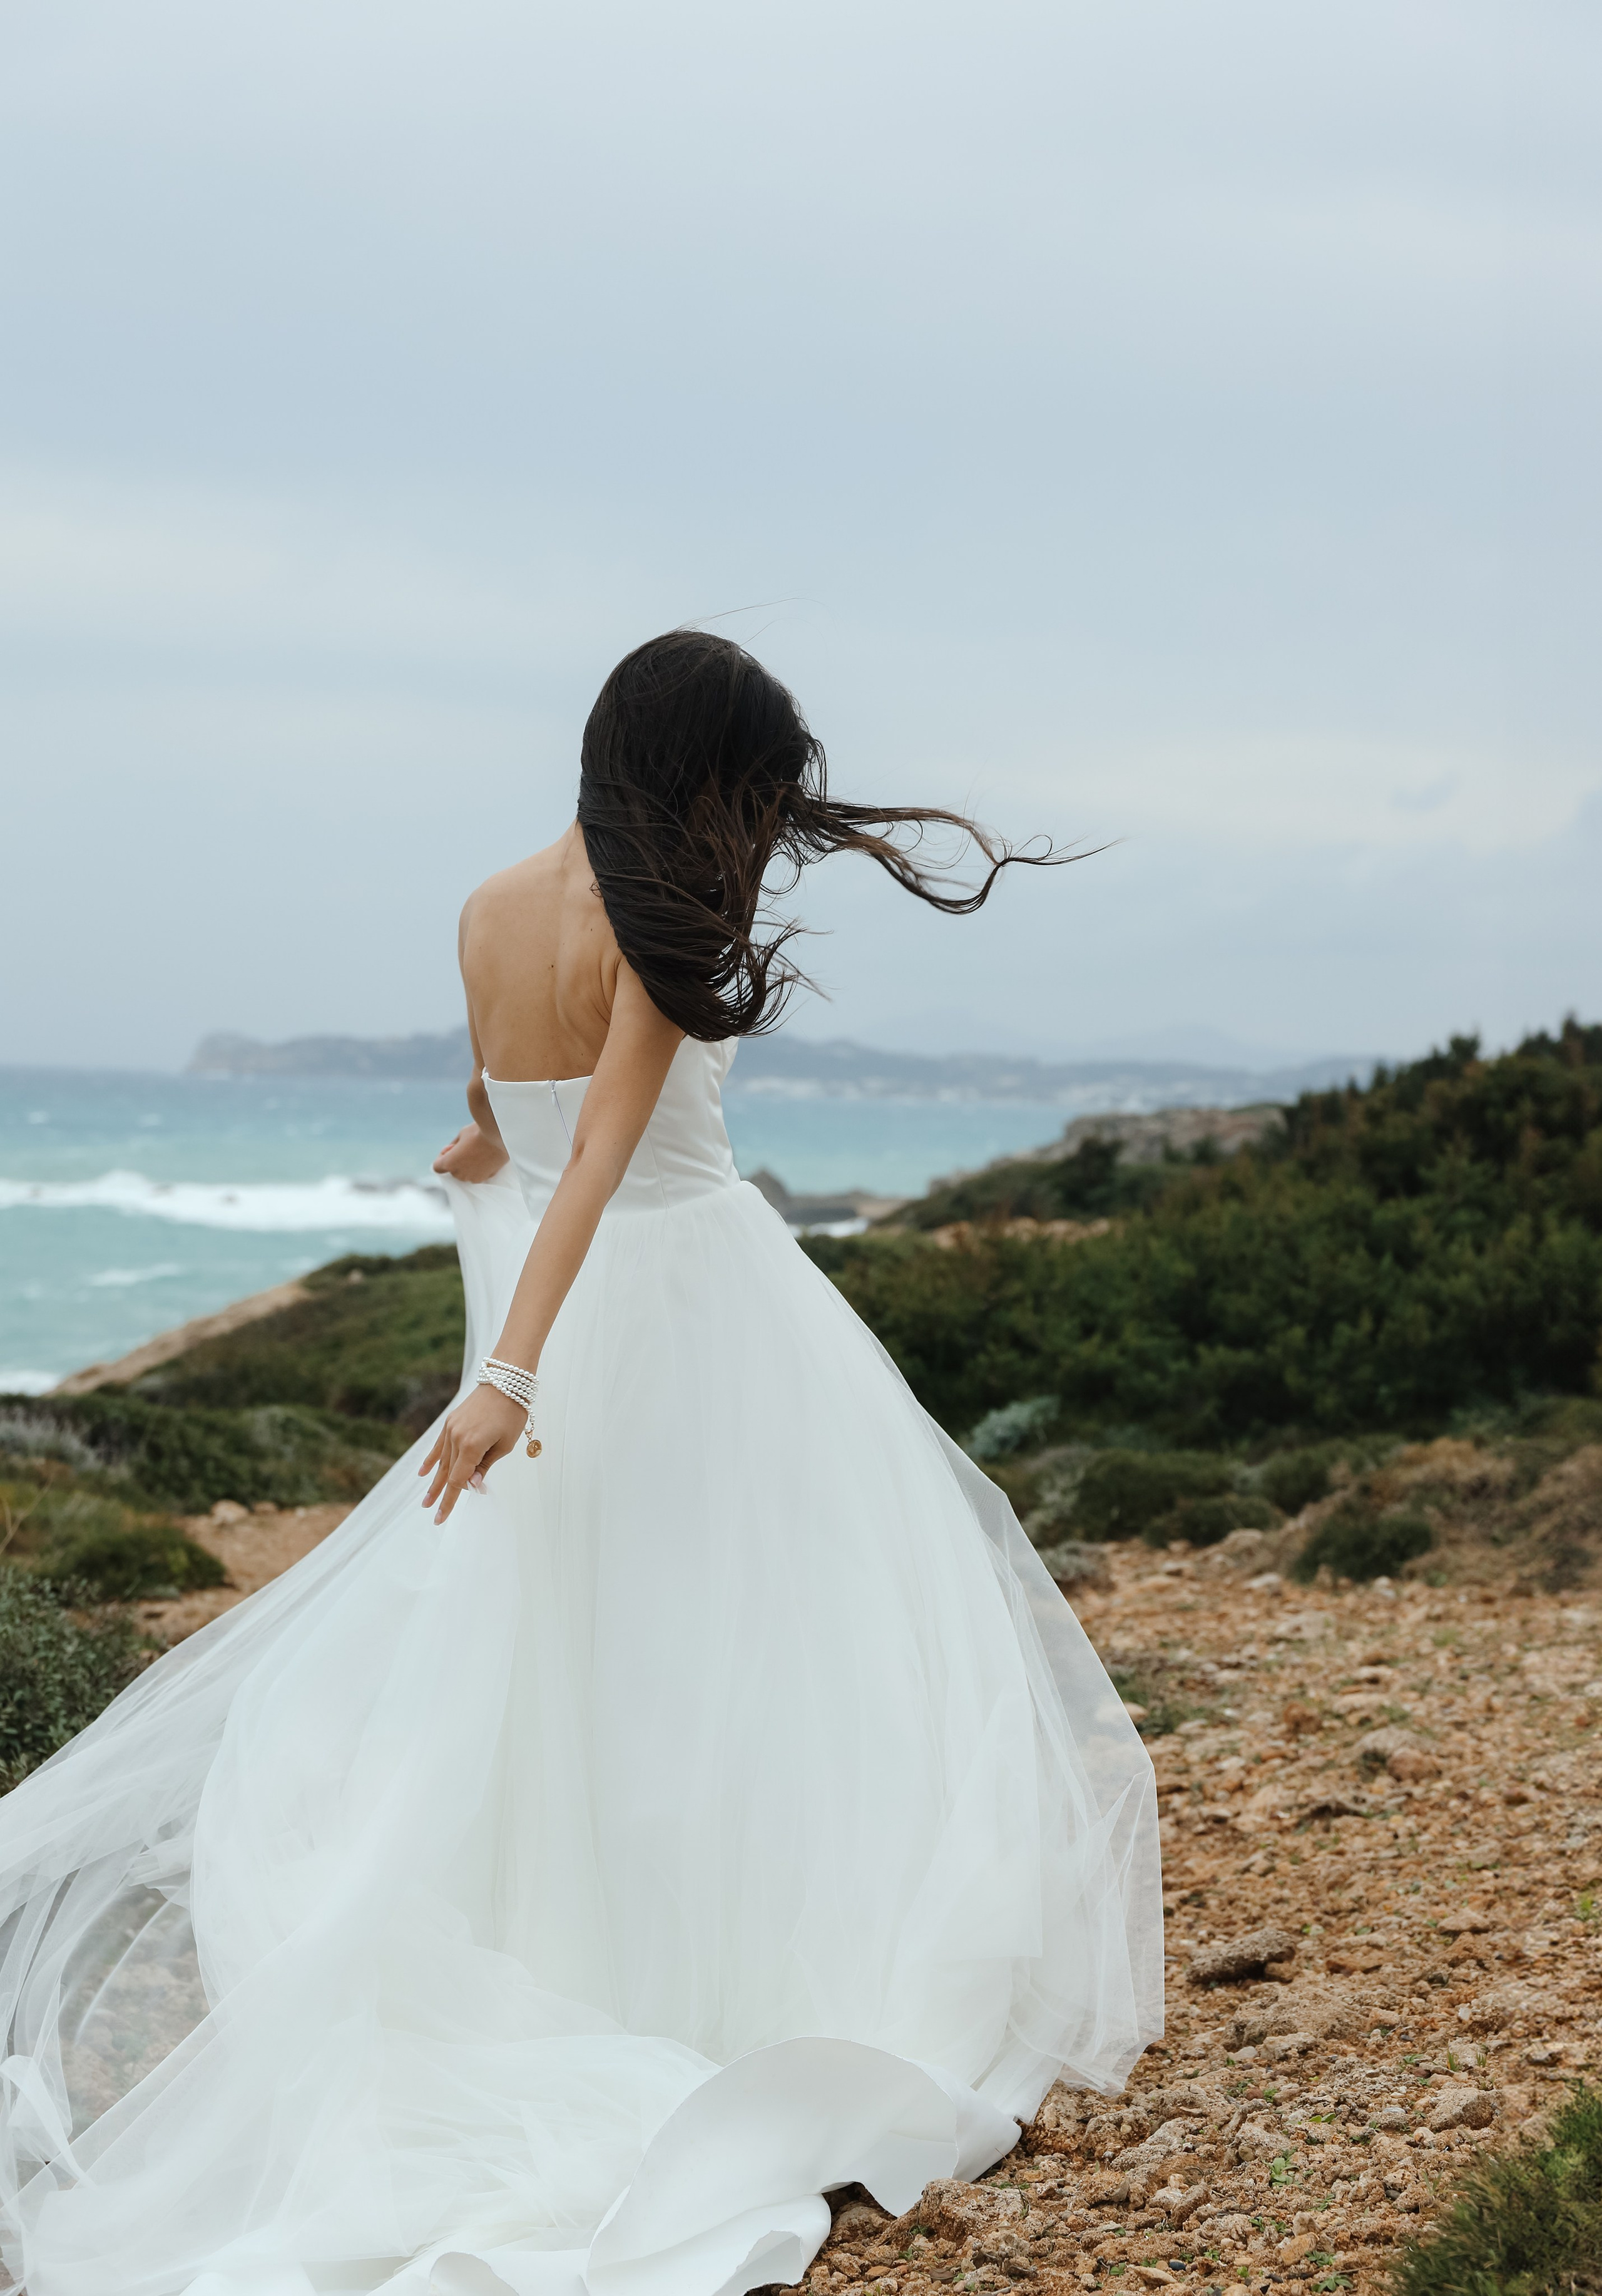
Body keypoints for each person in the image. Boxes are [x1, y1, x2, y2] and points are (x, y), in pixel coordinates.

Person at [0, 633, 1161, 2296]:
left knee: (579, 1634)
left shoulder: (485, 903)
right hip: (677, 1305)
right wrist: (508, 1376)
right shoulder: (666, 918)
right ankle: (729, 1979)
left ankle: (603, 1944)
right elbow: (603, 1169)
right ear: (697, 769)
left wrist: (480, 1136)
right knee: (733, 1633)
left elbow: (512, 1095)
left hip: (549, 1289)